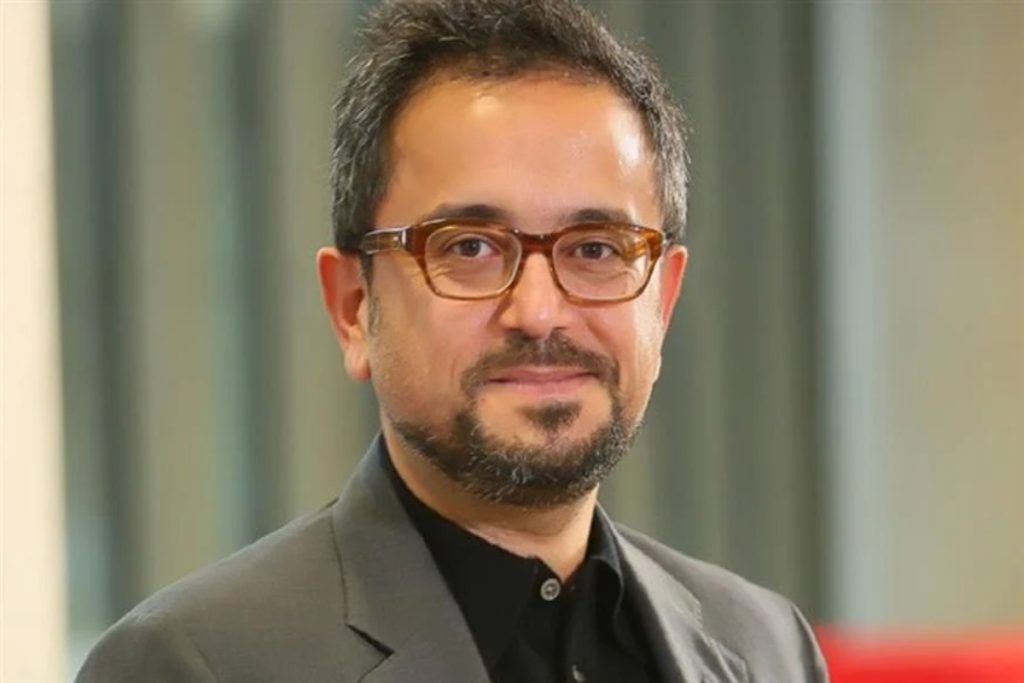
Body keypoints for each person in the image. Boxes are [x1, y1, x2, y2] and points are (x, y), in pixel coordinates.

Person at [77, 0, 828, 681]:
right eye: (469, 247)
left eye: (596, 248)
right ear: (353, 306)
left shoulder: (764, 648)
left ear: (662, 302)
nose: (540, 312)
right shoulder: (196, 662)